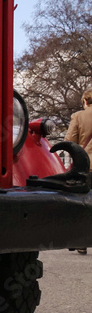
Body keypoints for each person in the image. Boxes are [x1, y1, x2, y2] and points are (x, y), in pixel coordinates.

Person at [65, 89, 92, 254]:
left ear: (85, 101)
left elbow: (70, 141)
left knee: (84, 203)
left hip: (86, 165)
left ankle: (82, 241)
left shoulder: (79, 116)